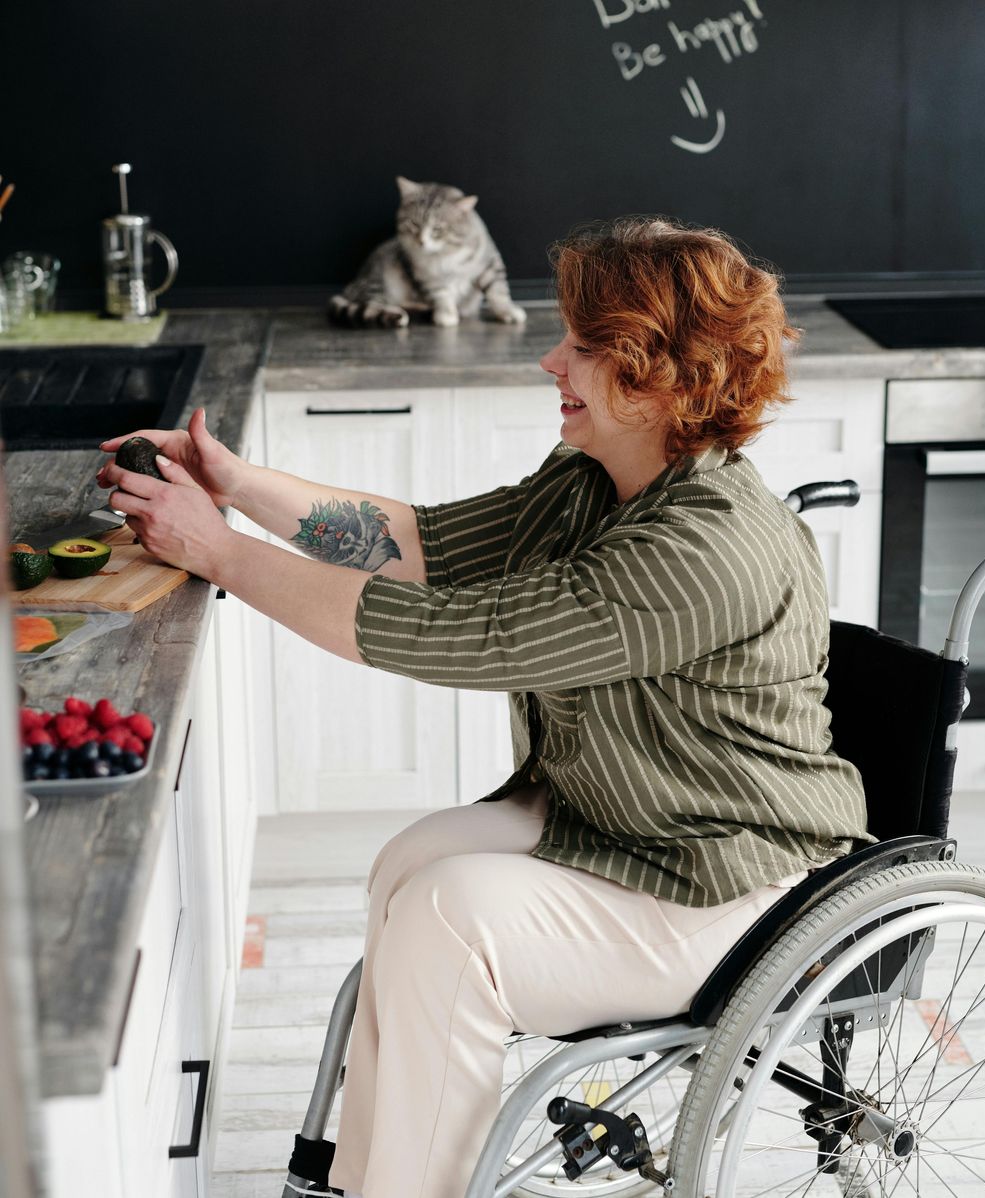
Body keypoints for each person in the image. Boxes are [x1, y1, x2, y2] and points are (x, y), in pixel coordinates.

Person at [98, 218, 870, 1198]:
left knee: (446, 922)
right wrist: (238, 485)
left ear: (655, 376)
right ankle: (375, 1176)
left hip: (725, 882)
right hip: (630, 819)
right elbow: (419, 545)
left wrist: (219, 551)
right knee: (407, 868)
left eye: (584, 347)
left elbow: (446, 632)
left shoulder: (703, 549)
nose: (551, 358)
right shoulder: (596, 482)